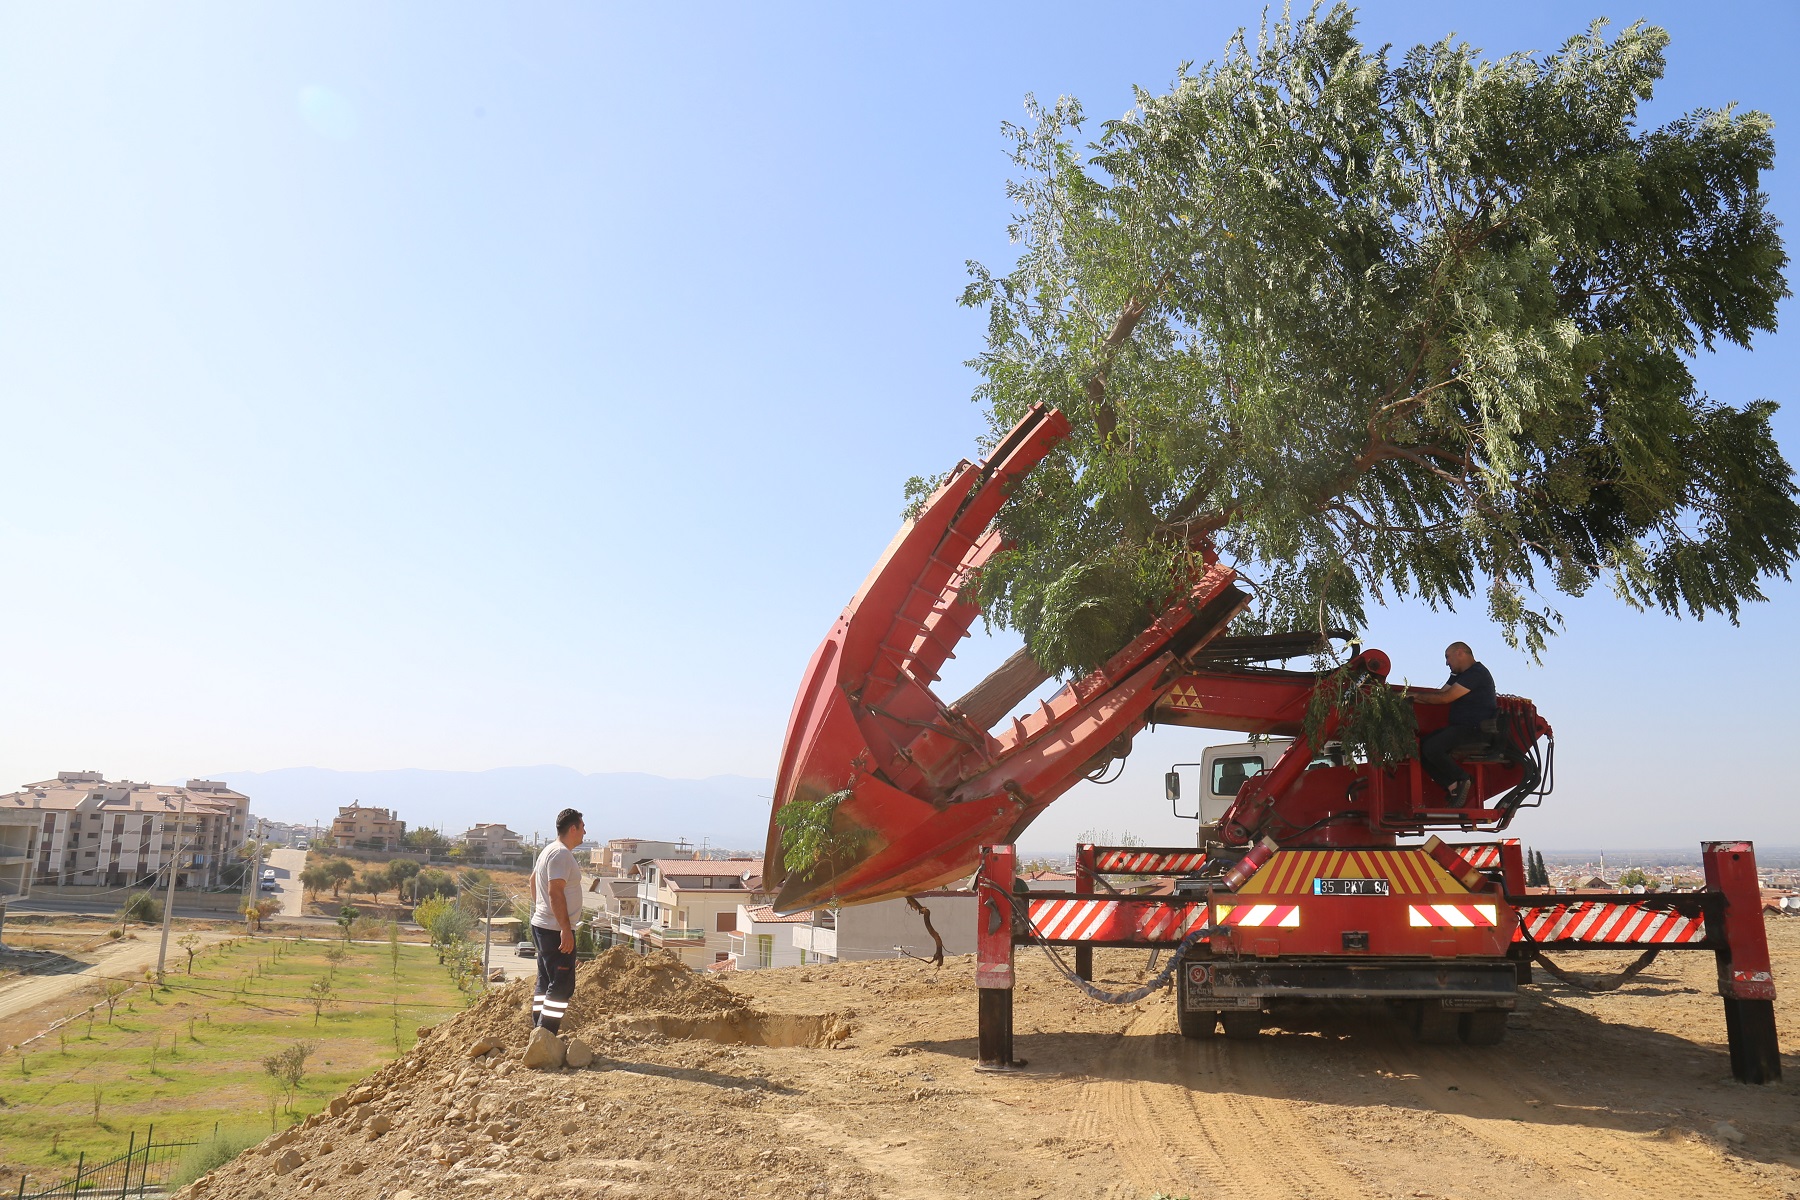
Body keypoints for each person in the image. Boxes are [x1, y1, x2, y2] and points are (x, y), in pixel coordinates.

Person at [1409, 642, 1497, 807]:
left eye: (1447, 657)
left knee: (1432, 747)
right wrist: (1412, 697)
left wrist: (1414, 697)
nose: (1447, 663)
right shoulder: (1458, 675)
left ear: (1460, 652)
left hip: (1475, 729)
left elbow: (1445, 698)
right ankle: (1453, 787)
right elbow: (1441, 693)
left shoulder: (1476, 673)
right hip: (1460, 728)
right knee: (1421, 748)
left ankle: (1463, 778)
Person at [528, 807, 586, 1034]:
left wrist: (542, 910)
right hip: (554, 930)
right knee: (561, 985)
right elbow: (555, 892)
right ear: (573, 829)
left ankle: (538, 1033)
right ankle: (545, 1035)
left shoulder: (548, 850)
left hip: (543, 925)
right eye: (582, 827)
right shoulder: (561, 854)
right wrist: (564, 928)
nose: (584, 832)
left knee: (545, 982)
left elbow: (533, 882)